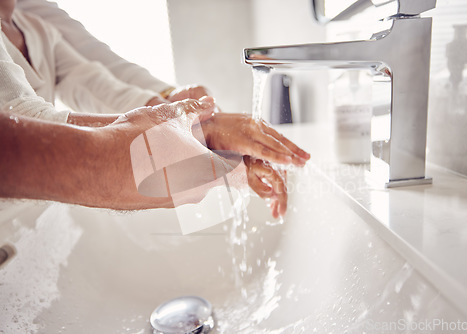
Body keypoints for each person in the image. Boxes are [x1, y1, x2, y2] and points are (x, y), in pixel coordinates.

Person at [0, 0, 310, 217]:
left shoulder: (37, 29)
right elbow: (25, 122)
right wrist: (198, 130)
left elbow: (102, 85)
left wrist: (183, 115)